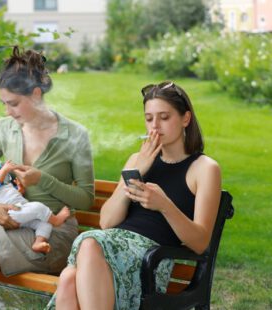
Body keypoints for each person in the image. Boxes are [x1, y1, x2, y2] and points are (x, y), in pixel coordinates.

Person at [47, 81, 222, 310]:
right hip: (108, 249)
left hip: (149, 261)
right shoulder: (136, 159)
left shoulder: (204, 168)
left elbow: (200, 243)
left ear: (185, 119)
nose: (155, 126)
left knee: (83, 253)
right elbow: (107, 222)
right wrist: (139, 169)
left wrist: (164, 205)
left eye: (164, 117)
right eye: (149, 119)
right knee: (70, 276)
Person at [0, 46, 94, 310]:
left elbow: (86, 199)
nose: (7, 112)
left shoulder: (75, 135)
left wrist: (44, 180)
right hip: (10, 224)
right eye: (4, 103)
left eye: (14, 103)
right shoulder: (4, 128)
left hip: (48, 234)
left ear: (36, 94)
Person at [0, 151, 71, 254]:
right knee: (38, 207)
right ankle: (56, 220)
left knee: (45, 224)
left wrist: (20, 190)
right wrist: (5, 169)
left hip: (21, 210)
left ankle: (38, 243)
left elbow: (10, 194)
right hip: (10, 213)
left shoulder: (2, 178)